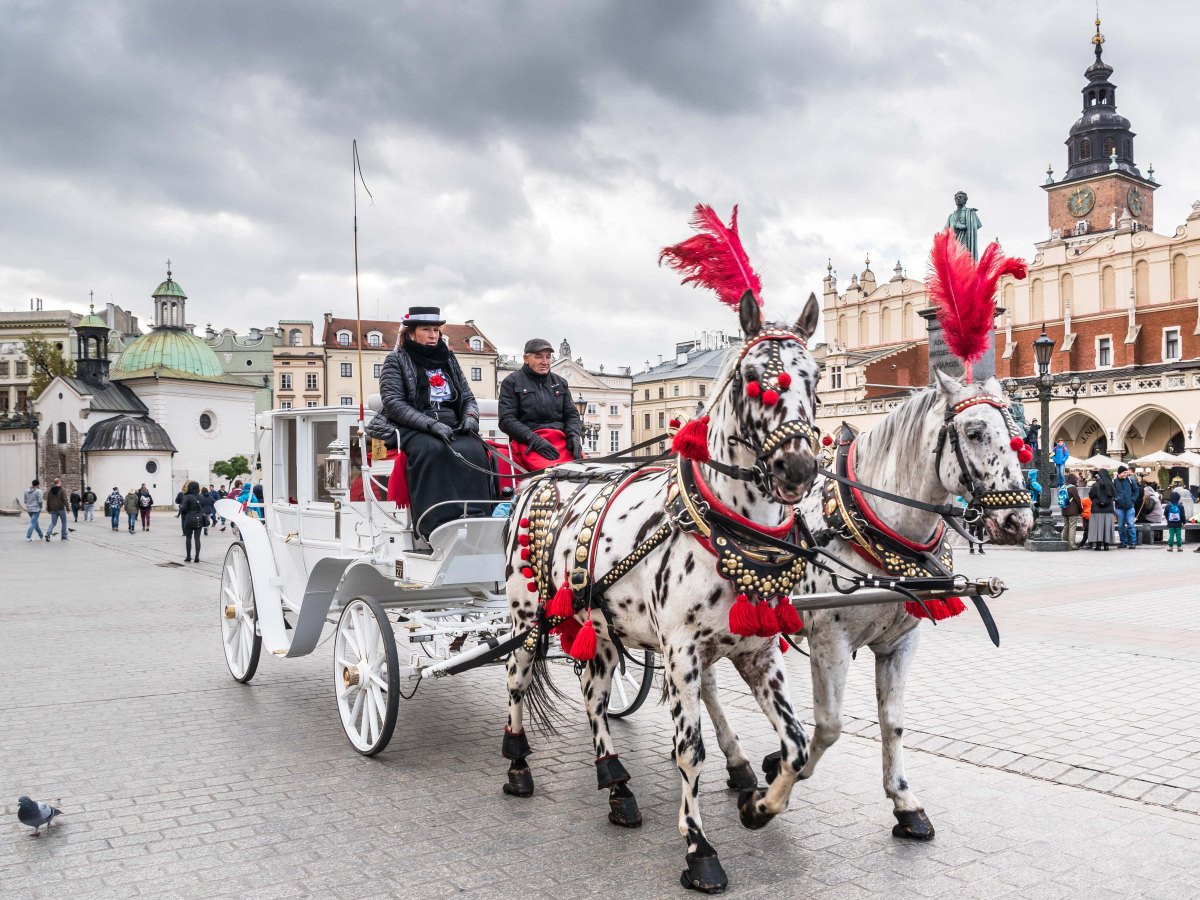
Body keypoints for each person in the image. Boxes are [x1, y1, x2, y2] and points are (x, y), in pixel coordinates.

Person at [378, 305, 493, 539]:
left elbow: (467, 397)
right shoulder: (396, 360)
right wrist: (430, 425)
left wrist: (470, 417)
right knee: (432, 450)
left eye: (436, 330)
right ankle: (435, 523)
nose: (433, 335)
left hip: (451, 423)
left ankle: (476, 516)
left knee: (475, 451)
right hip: (414, 425)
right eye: (426, 330)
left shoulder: (448, 358)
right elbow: (393, 403)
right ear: (411, 333)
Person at [498, 337, 584, 471]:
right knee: (552, 473)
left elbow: (572, 415)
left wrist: (574, 435)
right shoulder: (512, 382)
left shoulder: (560, 383)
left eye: (548, 357)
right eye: (539, 357)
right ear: (526, 359)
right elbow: (506, 420)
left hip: (560, 440)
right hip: (530, 441)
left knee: (587, 471)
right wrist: (533, 439)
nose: (545, 362)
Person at [1087, 469, 1116, 551]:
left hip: (1097, 509)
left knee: (1097, 527)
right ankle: (1106, 545)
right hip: (1109, 510)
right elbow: (1114, 496)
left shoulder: (1095, 485)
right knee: (1107, 527)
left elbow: (1090, 495)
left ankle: (1098, 545)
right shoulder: (1111, 484)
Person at [179, 480, 205, 562]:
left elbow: (184, 509)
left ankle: (188, 556)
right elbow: (203, 507)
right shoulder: (201, 497)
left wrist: (182, 510)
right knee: (197, 538)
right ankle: (197, 557)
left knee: (188, 538)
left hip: (189, 518)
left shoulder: (187, 496)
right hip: (199, 518)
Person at [1114, 465, 1139, 549]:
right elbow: (1112, 492)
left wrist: (1132, 500)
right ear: (1119, 473)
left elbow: (1136, 491)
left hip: (1130, 506)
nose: (1126, 474)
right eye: (1124, 473)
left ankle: (1133, 543)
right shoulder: (1114, 482)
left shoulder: (1130, 480)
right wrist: (1116, 499)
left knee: (1131, 525)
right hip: (1119, 507)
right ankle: (1123, 542)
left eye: (1126, 473)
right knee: (1121, 526)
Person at [44, 477, 70, 541]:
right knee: (64, 523)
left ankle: (48, 533)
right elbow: (65, 500)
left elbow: (48, 500)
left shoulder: (50, 490)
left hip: (53, 509)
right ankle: (63, 537)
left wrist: (48, 509)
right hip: (61, 509)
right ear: (59, 482)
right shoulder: (62, 490)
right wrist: (68, 508)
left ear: (54, 483)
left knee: (53, 523)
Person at [1062, 479, 1083, 550]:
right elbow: (1077, 499)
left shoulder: (1063, 487)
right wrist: (1080, 510)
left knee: (1066, 527)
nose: (1076, 481)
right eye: (1076, 480)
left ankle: (1064, 543)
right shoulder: (1073, 488)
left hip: (1064, 510)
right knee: (1072, 527)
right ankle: (1072, 545)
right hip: (1072, 511)